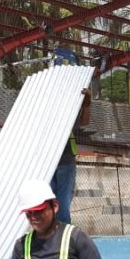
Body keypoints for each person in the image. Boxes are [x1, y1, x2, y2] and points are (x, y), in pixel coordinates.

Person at [50, 88, 91, 224]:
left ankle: (57, 229)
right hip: (61, 161)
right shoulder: (66, 114)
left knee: (54, 197)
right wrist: (86, 103)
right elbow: (85, 121)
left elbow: (84, 121)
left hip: (50, 161)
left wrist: (86, 103)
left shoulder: (46, 114)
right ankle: (61, 229)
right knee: (62, 197)